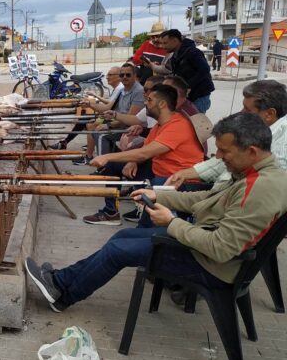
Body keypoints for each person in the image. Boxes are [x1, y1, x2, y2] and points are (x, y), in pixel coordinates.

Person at [25, 112, 287, 312]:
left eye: (224, 151)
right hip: (204, 246)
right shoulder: (254, 173)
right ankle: (60, 280)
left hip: (213, 266)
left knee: (118, 251)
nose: (218, 156)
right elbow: (207, 198)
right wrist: (160, 194)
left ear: (251, 151)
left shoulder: (261, 188)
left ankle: (63, 297)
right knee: (122, 237)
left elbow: (221, 248)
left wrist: (171, 222)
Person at [83, 85, 204, 225]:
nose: (145, 103)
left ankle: (148, 226)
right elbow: (146, 149)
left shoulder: (178, 125)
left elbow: (145, 153)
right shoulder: (162, 123)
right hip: (158, 171)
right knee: (114, 166)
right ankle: (111, 213)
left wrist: (106, 156)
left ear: (162, 104)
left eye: (149, 100)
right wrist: (132, 161)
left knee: (145, 222)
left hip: (176, 182)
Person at [167, 80, 287, 189]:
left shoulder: (281, 142)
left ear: (270, 114)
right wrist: (183, 174)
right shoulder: (260, 131)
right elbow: (221, 160)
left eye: (247, 109)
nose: (241, 112)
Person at [73, 64, 144, 165]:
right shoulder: (123, 90)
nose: (124, 77)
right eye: (122, 75)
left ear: (134, 76)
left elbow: (130, 119)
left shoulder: (138, 91)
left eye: (128, 75)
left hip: (132, 128)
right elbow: (107, 108)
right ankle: (92, 159)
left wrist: (108, 125)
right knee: (92, 125)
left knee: (100, 134)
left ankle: (103, 166)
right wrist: (90, 104)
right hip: (119, 122)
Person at [51, 66, 125, 151]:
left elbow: (107, 107)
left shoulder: (120, 88)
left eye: (110, 75)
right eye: (108, 75)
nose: (107, 77)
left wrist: (90, 104)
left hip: (112, 118)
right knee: (85, 118)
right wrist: (96, 97)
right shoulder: (118, 88)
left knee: (89, 123)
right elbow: (110, 103)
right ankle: (66, 142)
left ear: (119, 76)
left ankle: (88, 153)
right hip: (110, 115)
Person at [159, 29, 214, 113]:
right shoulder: (176, 55)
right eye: (162, 43)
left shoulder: (193, 52)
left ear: (175, 41)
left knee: (196, 123)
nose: (162, 46)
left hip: (199, 96)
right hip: (188, 97)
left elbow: (205, 69)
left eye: (165, 43)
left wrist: (187, 86)